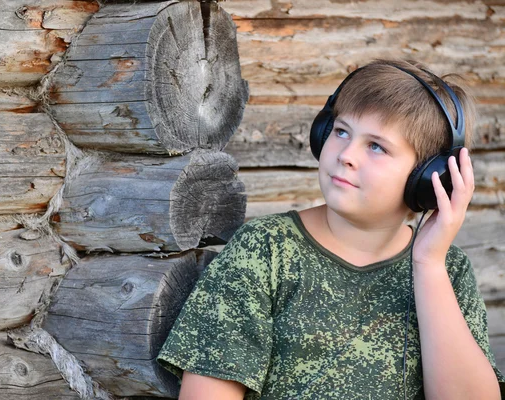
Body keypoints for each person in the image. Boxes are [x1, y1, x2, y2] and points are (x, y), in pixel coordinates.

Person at [156, 59, 505, 399]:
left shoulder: (448, 270)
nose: (346, 154)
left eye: (376, 146)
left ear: (430, 178)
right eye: (341, 131)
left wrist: (429, 267)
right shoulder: (266, 250)